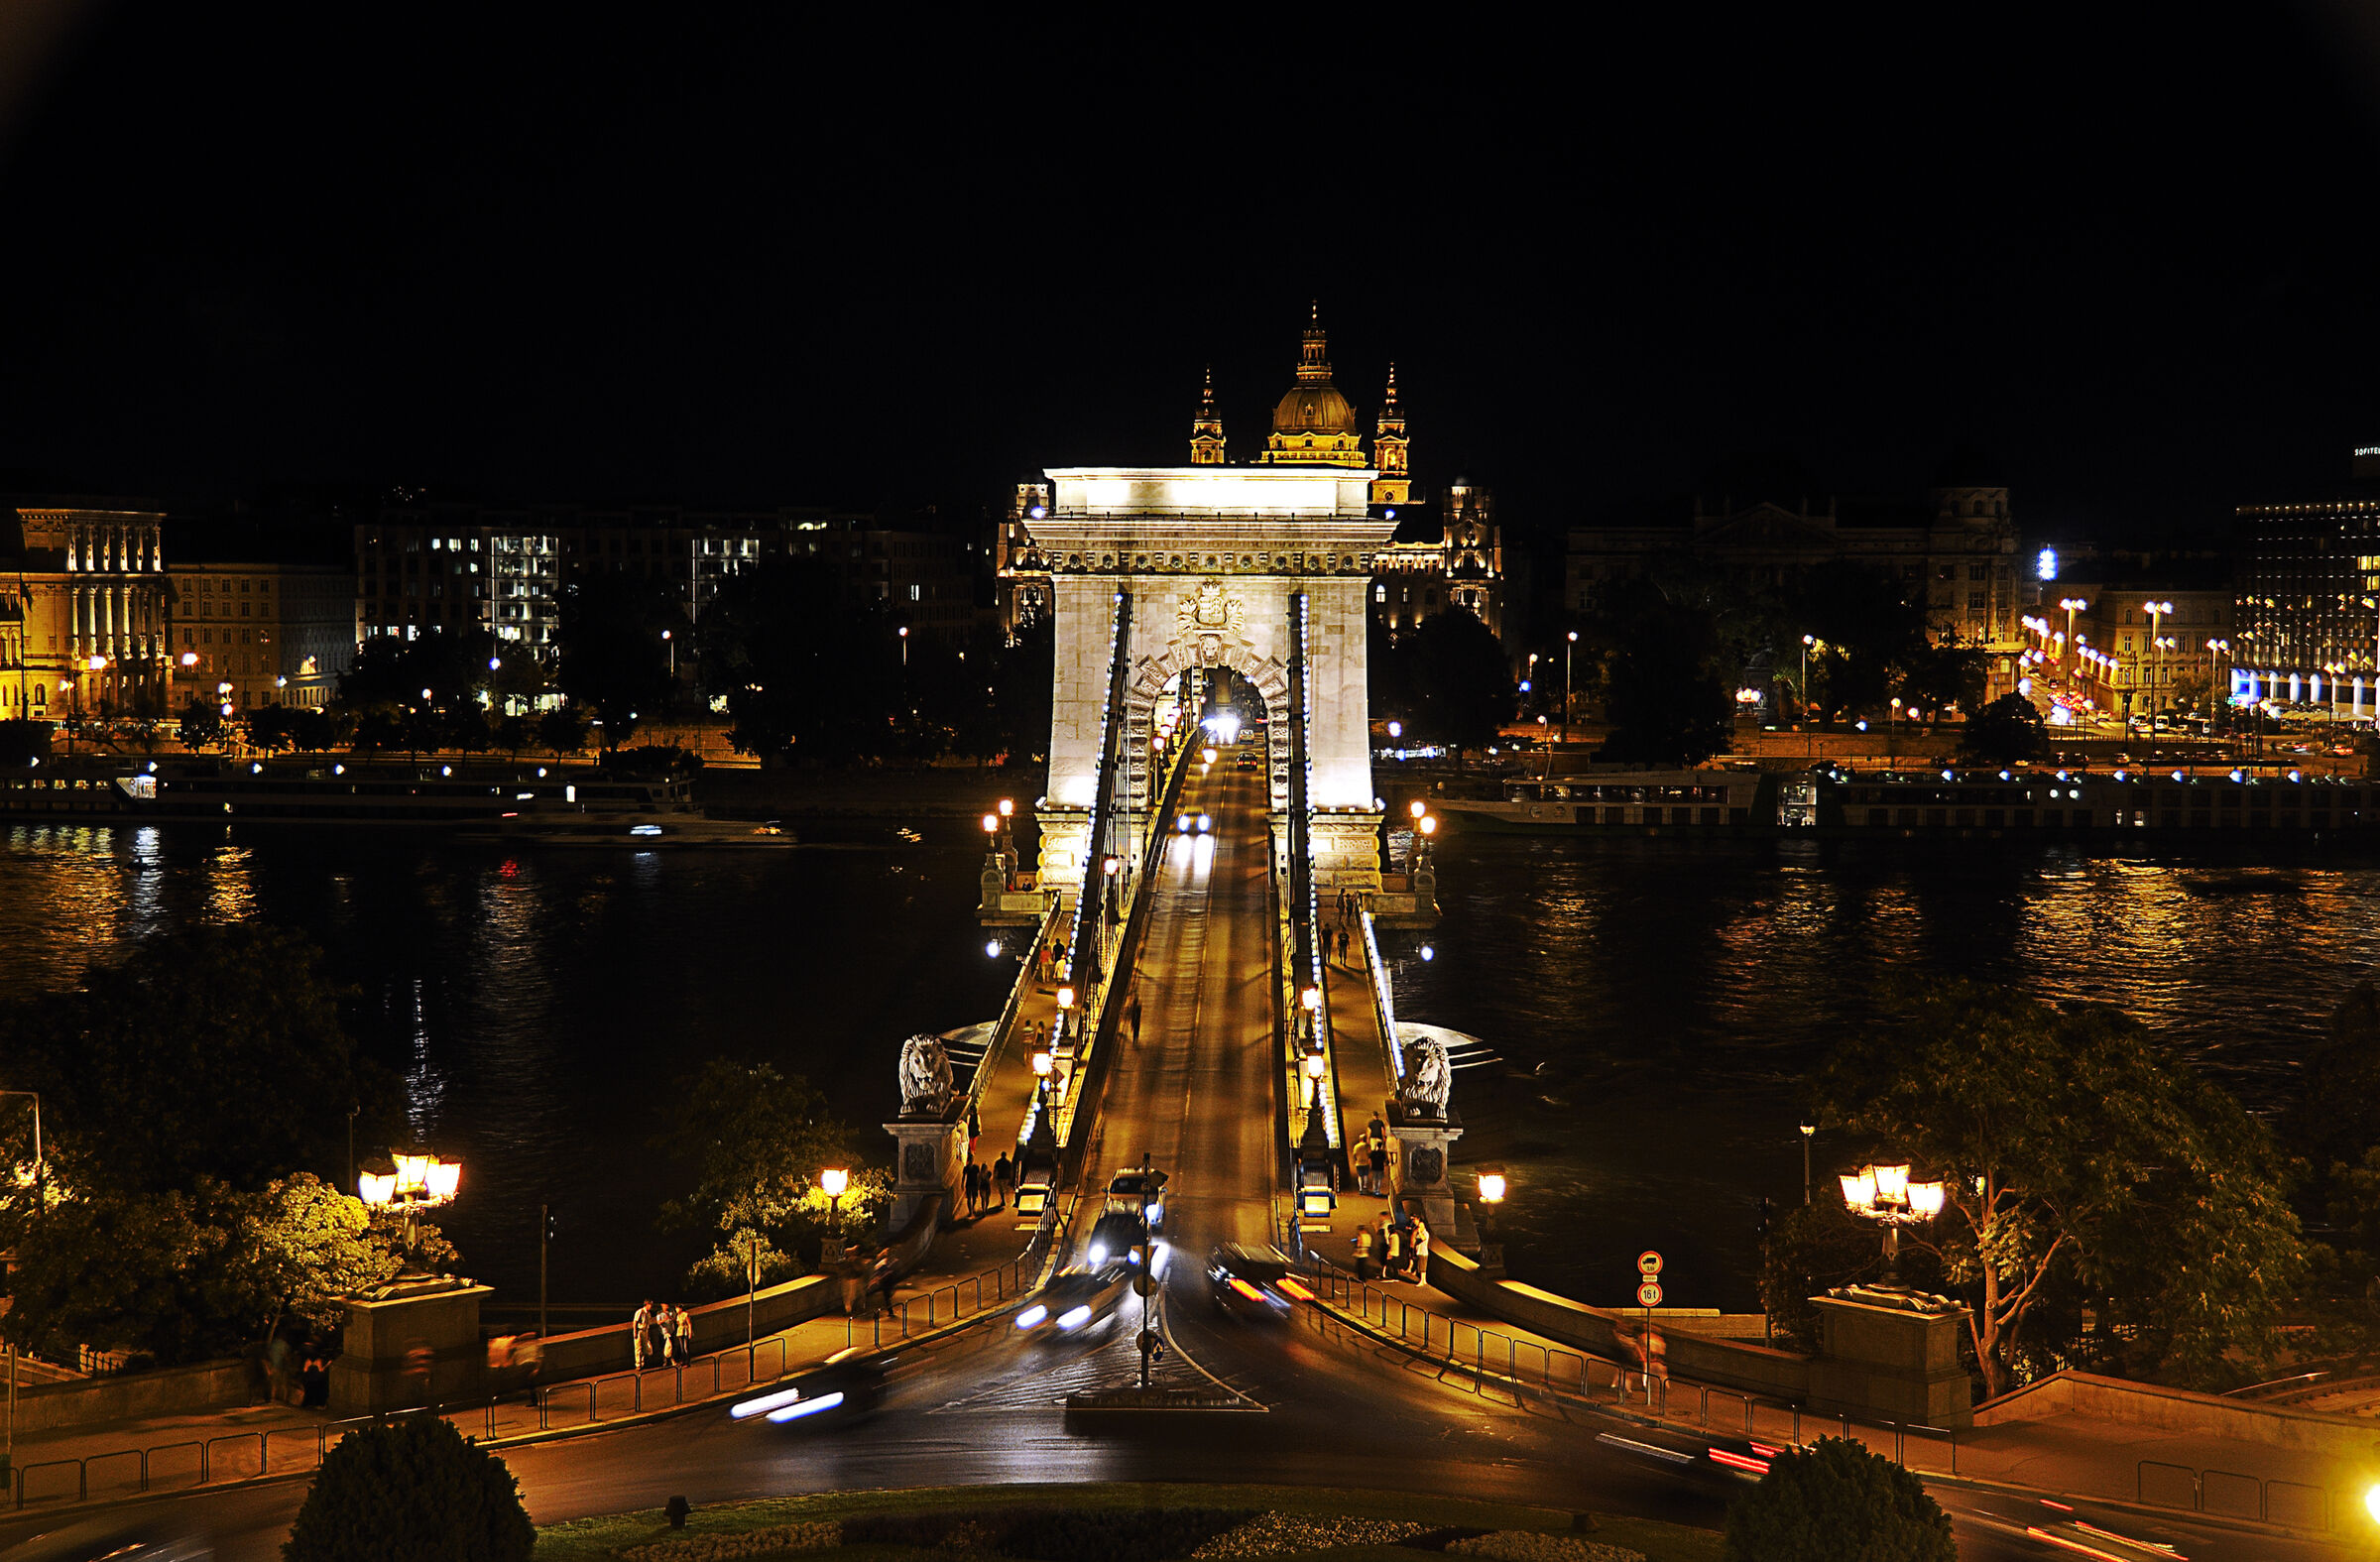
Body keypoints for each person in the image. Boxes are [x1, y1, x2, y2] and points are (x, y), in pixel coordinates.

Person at [631, 1299, 654, 1370]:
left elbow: (648, 1325)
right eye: (650, 1305)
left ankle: (642, 1362)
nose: (651, 1307)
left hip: (645, 1331)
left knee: (644, 1347)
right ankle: (638, 1364)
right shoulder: (640, 1311)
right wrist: (635, 1332)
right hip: (639, 1330)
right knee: (638, 1347)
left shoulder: (648, 1314)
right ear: (646, 1304)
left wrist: (648, 1334)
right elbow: (635, 1322)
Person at [1410, 1217, 1431, 1283]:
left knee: (1422, 1268)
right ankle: (1423, 1281)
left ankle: (1422, 1280)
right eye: (1419, 1226)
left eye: (1420, 1226)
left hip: (1423, 1252)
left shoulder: (1425, 1233)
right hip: (1419, 1251)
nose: (1419, 1227)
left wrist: (1419, 1231)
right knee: (1421, 1267)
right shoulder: (1420, 1234)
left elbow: (1423, 1238)